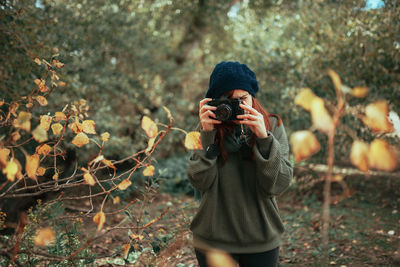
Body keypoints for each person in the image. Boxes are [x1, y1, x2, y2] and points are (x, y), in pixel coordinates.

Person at [186, 61, 293, 267]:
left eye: (242, 99)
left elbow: (278, 184)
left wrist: (263, 138)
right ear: (214, 102)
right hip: (212, 239)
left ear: (253, 97)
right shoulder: (206, 127)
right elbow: (199, 182)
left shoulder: (273, 126)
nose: (235, 106)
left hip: (261, 238)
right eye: (227, 100)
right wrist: (208, 135)